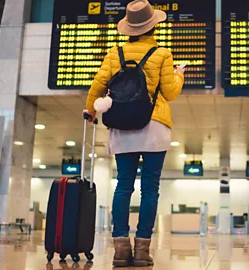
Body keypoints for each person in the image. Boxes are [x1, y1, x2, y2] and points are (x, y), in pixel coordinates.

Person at [84, 0, 184, 267]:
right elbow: (170, 92)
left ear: (129, 28)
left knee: (124, 185)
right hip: (154, 125)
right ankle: (142, 250)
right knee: (150, 188)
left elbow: (98, 83)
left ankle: (120, 249)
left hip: (122, 124)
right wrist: (179, 75)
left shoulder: (114, 53)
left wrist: (90, 110)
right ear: (153, 26)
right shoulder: (162, 53)